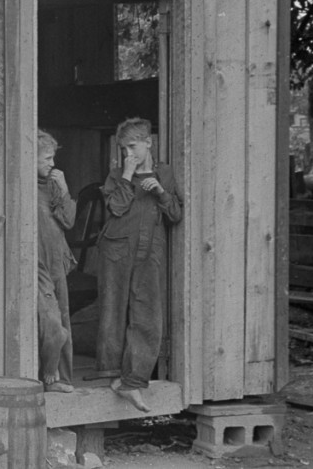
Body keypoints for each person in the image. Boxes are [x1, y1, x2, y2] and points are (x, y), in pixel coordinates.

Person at [97, 118, 182, 412]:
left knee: (148, 315)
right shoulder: (116, 175)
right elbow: (117, 208)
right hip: (116, 251)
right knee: (112, 311)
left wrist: (160, 191)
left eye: (132, 147)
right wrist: (127, 175)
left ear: (148, 142)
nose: (127, 154)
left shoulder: (165, 173)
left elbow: (175, 215)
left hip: (151, 252)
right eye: (123, 149)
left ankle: (133, 382)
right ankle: (109, 376)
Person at [37, 129, 78, 393]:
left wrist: (64, 191)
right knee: (53, 325)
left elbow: (69, 221)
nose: (52, 164)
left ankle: (60, 379)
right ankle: (47, 373)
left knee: (63, 318)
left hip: (56, 261)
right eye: (47, 158)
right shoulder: (20, 184)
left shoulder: (52, 185)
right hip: (36, 264)